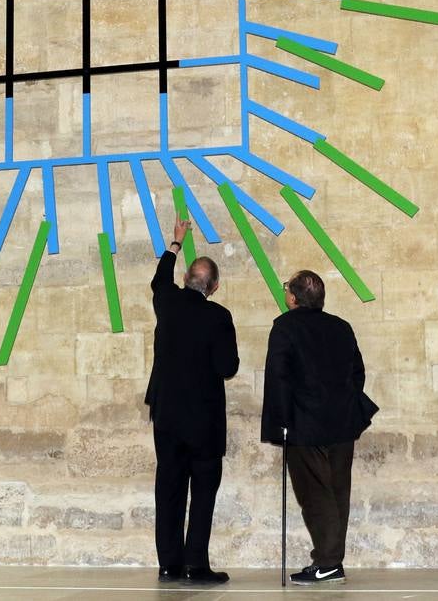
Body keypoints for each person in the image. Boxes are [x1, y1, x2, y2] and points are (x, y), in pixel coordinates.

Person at [261, 270, 378, 587]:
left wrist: (280, 422)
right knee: (338, 491)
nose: (285, 292)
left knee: (315, 494)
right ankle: (332, 561)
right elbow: (357, 373)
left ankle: (328, 563)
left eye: (287, 288)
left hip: (304, 425)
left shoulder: (284, 326)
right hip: (342, 422)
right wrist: (344, 403)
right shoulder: (341, 327)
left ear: (294, 297)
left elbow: (278, 377)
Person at [145, 216, 240, 585]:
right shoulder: (219, 316)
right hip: (203, 418)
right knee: (202, 492)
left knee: (168, 488)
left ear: (187, 280)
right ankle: (195, 564)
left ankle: (168, 563)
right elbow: (227, 366)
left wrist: (176, 243)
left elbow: (158, 281)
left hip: (166, 414)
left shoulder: (167, 301)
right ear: (214, 286)